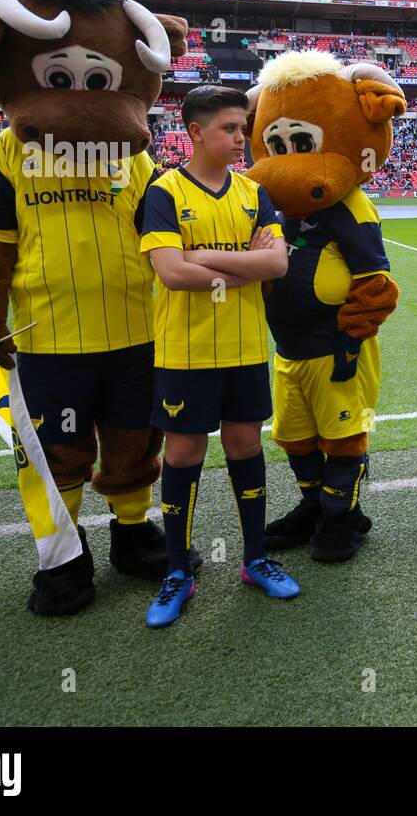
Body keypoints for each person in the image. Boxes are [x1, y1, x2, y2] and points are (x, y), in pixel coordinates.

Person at [138, 85, 294, 628]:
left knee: (246, 444)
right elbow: (171, 274)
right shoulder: (164, 193)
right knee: (182, 455)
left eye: (243, 127)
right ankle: (178, 571)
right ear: (196, 132)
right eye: (229, 128)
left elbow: (278, 267)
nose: (240, 138)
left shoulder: (254, 193)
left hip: (247, 347)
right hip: (185, 351)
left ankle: (255, 559)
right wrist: (238, 264)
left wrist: (201, 256)